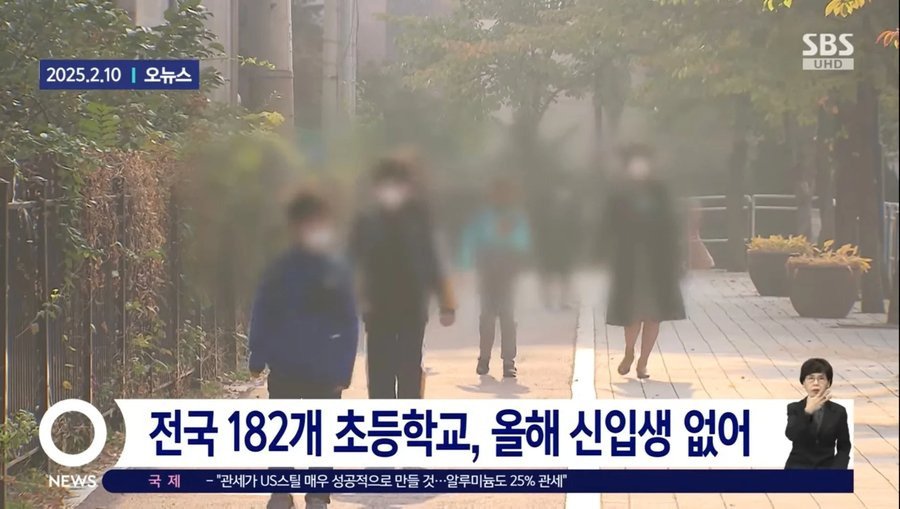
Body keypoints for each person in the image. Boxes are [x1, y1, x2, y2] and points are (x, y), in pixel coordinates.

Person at [247, 190, 358, 509]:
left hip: (325, 371)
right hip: (285, 366)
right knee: (281, 432)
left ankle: (318, 494)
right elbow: (263, 310)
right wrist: (258, 353)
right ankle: (281, 491)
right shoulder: (280, 269)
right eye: (303, 223)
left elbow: (349, 322)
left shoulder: (335, 270)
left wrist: (343, 370)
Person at [349, 155, 456, 399]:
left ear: (407, 187)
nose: (392, 191)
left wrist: (446, 302)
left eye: (397, 185)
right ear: (377, 188)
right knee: (380, 375)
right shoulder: (366, 221)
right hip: (378, 308)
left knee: (410, 372)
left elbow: (433, 260)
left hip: (412, 308)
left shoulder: (419, 219)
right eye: (386, 185)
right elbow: (350, 261)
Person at [597, 143, 686, 379]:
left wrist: (677, 259)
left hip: (658, 264)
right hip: (630, 264)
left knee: (654, 315)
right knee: (632, 313)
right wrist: (602, 253)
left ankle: (643, 362)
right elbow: (608, 227)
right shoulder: (620, 195)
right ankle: (629, 352)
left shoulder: (660, 193)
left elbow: (671, 228)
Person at [460, 177, 531, 378]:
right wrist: (464, 265)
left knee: (507, 317)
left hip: (507, 271)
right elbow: (470, 239)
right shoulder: (483, 217)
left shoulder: (516, 218)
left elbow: (523, 242)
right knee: (487, 317)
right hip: (487, 270)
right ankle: (484, 358)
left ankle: (508, 361)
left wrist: (510, 239)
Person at [785, 358, 852, 469]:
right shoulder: (795, 408)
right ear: (803, 382)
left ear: (828, 383)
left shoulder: (838, 411)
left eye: (821, 378)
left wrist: (837, 470)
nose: (816, 383)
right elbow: (791, 434)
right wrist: (807, 412)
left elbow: (844, 446)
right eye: (810, 378)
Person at [533, 174, 582, 310]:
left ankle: (563, 301)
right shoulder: (544, 209)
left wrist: (576, 246)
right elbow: (539, 230)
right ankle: (547, 301)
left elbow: (576, 230)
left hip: (565, 248)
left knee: (565, 276)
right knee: (547, 275)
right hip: (548, 247)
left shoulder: (571, 211)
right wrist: (539, 247)